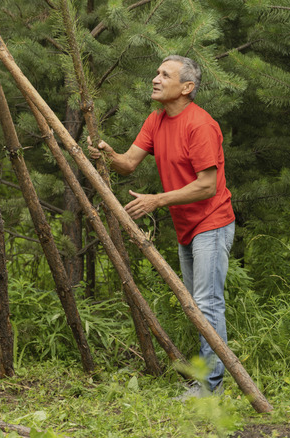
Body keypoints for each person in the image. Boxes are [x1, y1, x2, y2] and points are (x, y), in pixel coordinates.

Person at [88, 55, 235, 399]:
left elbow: (207, 186)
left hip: (211, 223)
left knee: (207, 303)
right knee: (196, 305)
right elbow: (127, 164)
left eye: (164, 74)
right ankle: (206, 382)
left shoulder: (200, 125)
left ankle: (210, 388)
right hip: (187, 225)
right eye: (156, 72)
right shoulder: (156, 121)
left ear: (187, 87)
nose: (155, 78)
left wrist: (157, 200)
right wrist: (107, 153)